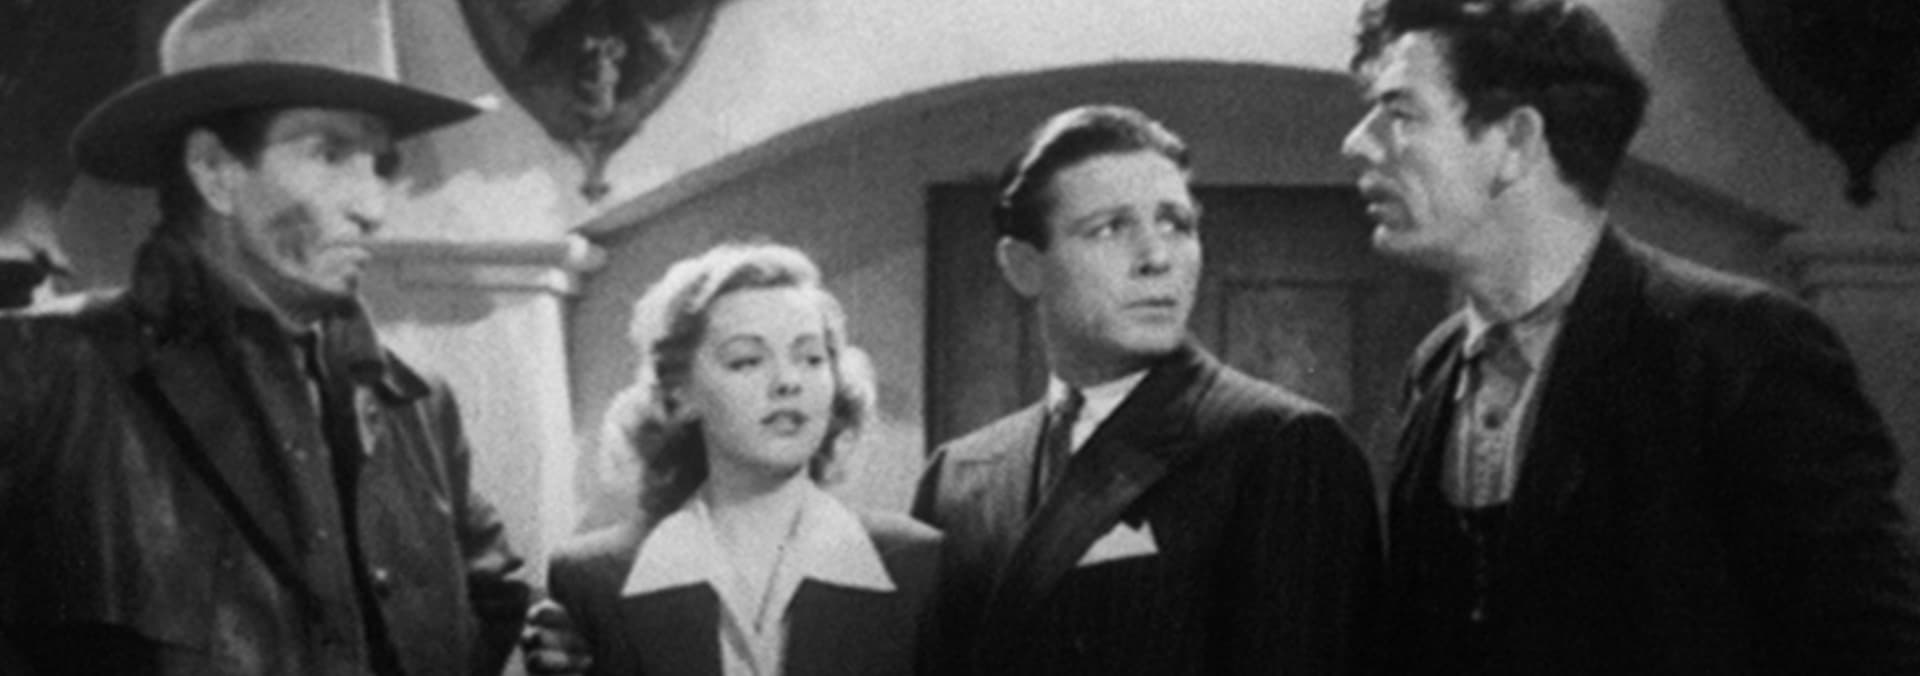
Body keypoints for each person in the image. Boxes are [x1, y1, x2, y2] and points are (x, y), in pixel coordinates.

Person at [1341, 1, 1920, 673]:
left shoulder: (1742, 349)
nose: (1358, 142)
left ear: (1517, 141)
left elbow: (1870, 646)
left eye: (1400, 113)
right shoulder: (1435, 369)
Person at [0, 0, 530, 673]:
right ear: (214, 171)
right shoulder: (44, 371)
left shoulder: (418, 404)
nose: (373, 208)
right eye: (330, 153)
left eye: (381, 164)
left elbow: (492, 604)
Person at [910, 104, 1381, 675]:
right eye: (1110, 228)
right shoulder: (957, 476)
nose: (1157, 258)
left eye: (1176, 224)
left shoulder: (1281, 446)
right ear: (1023, 266)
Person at [530, 242, 941, 675]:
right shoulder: (594, 576)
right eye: (746, 361)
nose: (788, 381)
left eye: (811, 358)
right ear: (680, 392)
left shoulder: (916, 564)